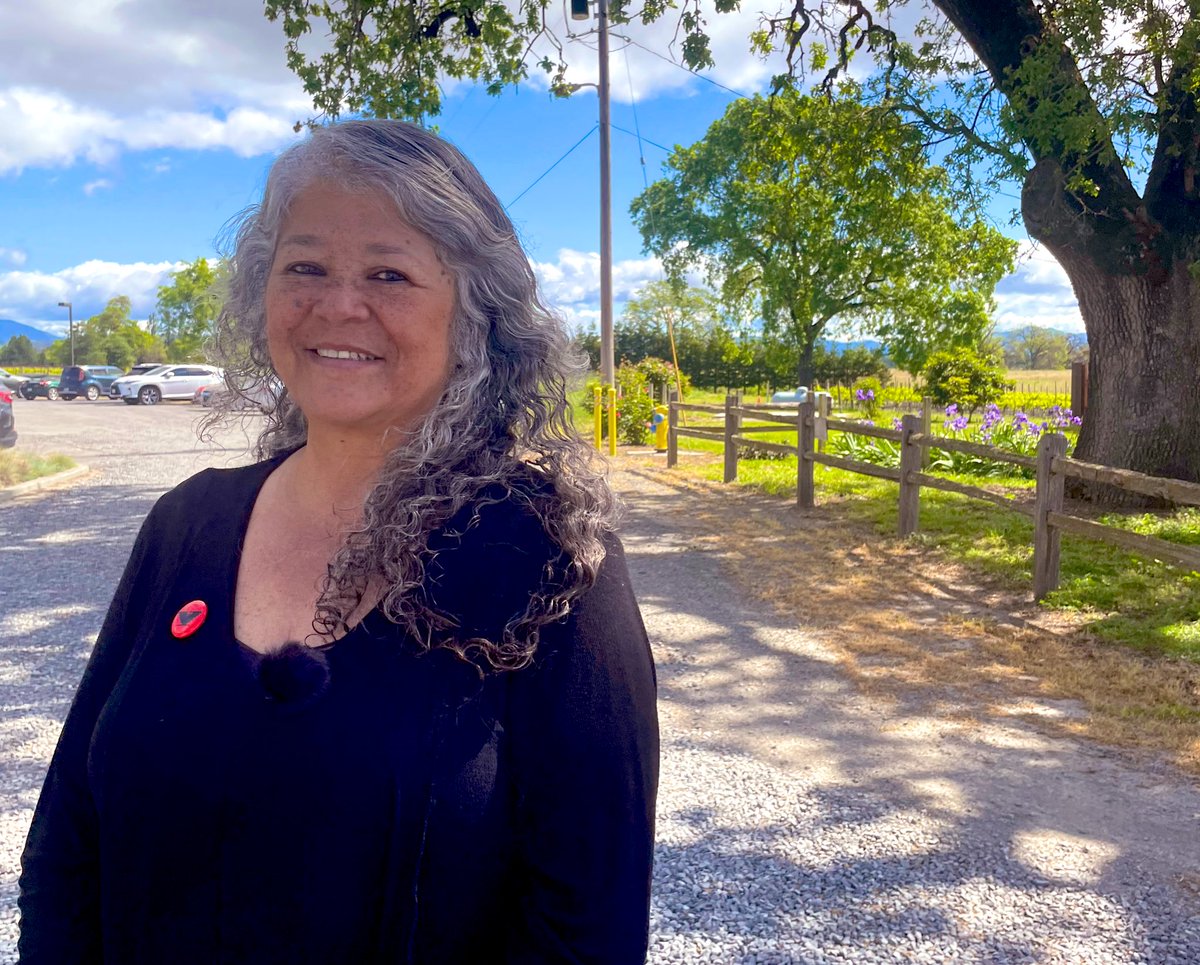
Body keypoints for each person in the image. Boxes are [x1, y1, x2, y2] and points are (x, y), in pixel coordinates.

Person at [18, 120, 659, 964]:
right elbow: (69, 834)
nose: (338, 304)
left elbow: (587, 926)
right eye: (306, 267)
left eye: (388, 273)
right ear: (264, 292)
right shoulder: (187, 524)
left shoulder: (545, 557)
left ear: (476, 313)